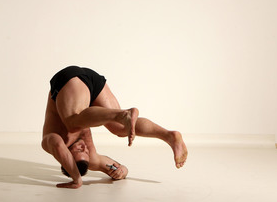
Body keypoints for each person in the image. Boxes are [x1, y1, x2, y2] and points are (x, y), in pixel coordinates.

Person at [41, 66, 188, 189]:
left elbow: (59, 147)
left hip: (67, 80)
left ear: (66, 157)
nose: (84, 148)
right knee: (120, 129)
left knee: (72, 123)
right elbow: (115, 167)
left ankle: (121, 115)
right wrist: (121, 171)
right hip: (92, 85)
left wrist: (77, 179)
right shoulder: (91, 158)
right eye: (85, 151)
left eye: (78, 151)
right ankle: (169, 136)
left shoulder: (51, 141)